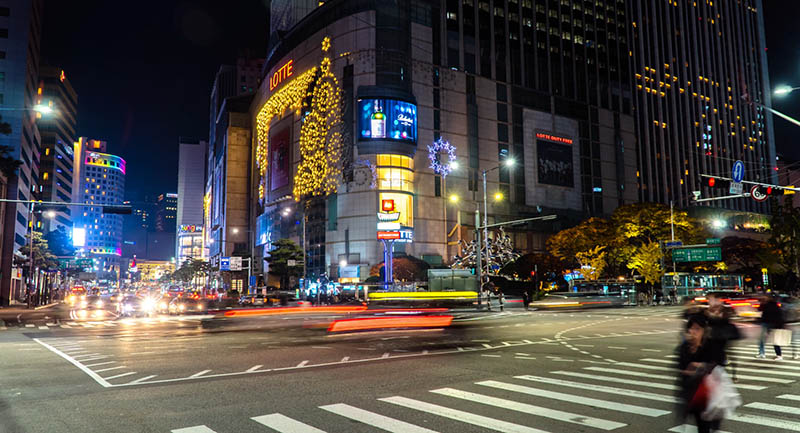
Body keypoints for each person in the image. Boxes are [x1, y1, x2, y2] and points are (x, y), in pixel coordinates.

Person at [677, 314, 722, 433]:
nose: (693, 331)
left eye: (697, 329)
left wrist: (700, 366)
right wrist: (688, 372)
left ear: (703, 330)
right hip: (691, 393)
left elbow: (717, 363)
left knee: (704, 426)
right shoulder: (684, 347)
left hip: (706, 394)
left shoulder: (710, 345)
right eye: (691, 328)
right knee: (699, 422)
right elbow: (680, 367)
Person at [704, 292, 740, 366]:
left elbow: (724, 320)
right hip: (713, 337)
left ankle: (723, 362)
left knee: (721, 352)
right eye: (709, 299)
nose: (710, 301)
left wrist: (713, 315)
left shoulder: (723, 309)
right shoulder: (709, 310)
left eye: (710, 299)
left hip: (721, 336)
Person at [757, 294, 785, 360]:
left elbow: (779, 315)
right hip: (767, 323)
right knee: (762, 339)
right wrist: (762, 303)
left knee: (774, 340)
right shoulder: (765, 304)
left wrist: (780, 324)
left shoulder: (773, 304)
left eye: (766, 297)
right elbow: (759, 309)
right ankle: (762, 353)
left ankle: (779, 355)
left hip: (772, 324)